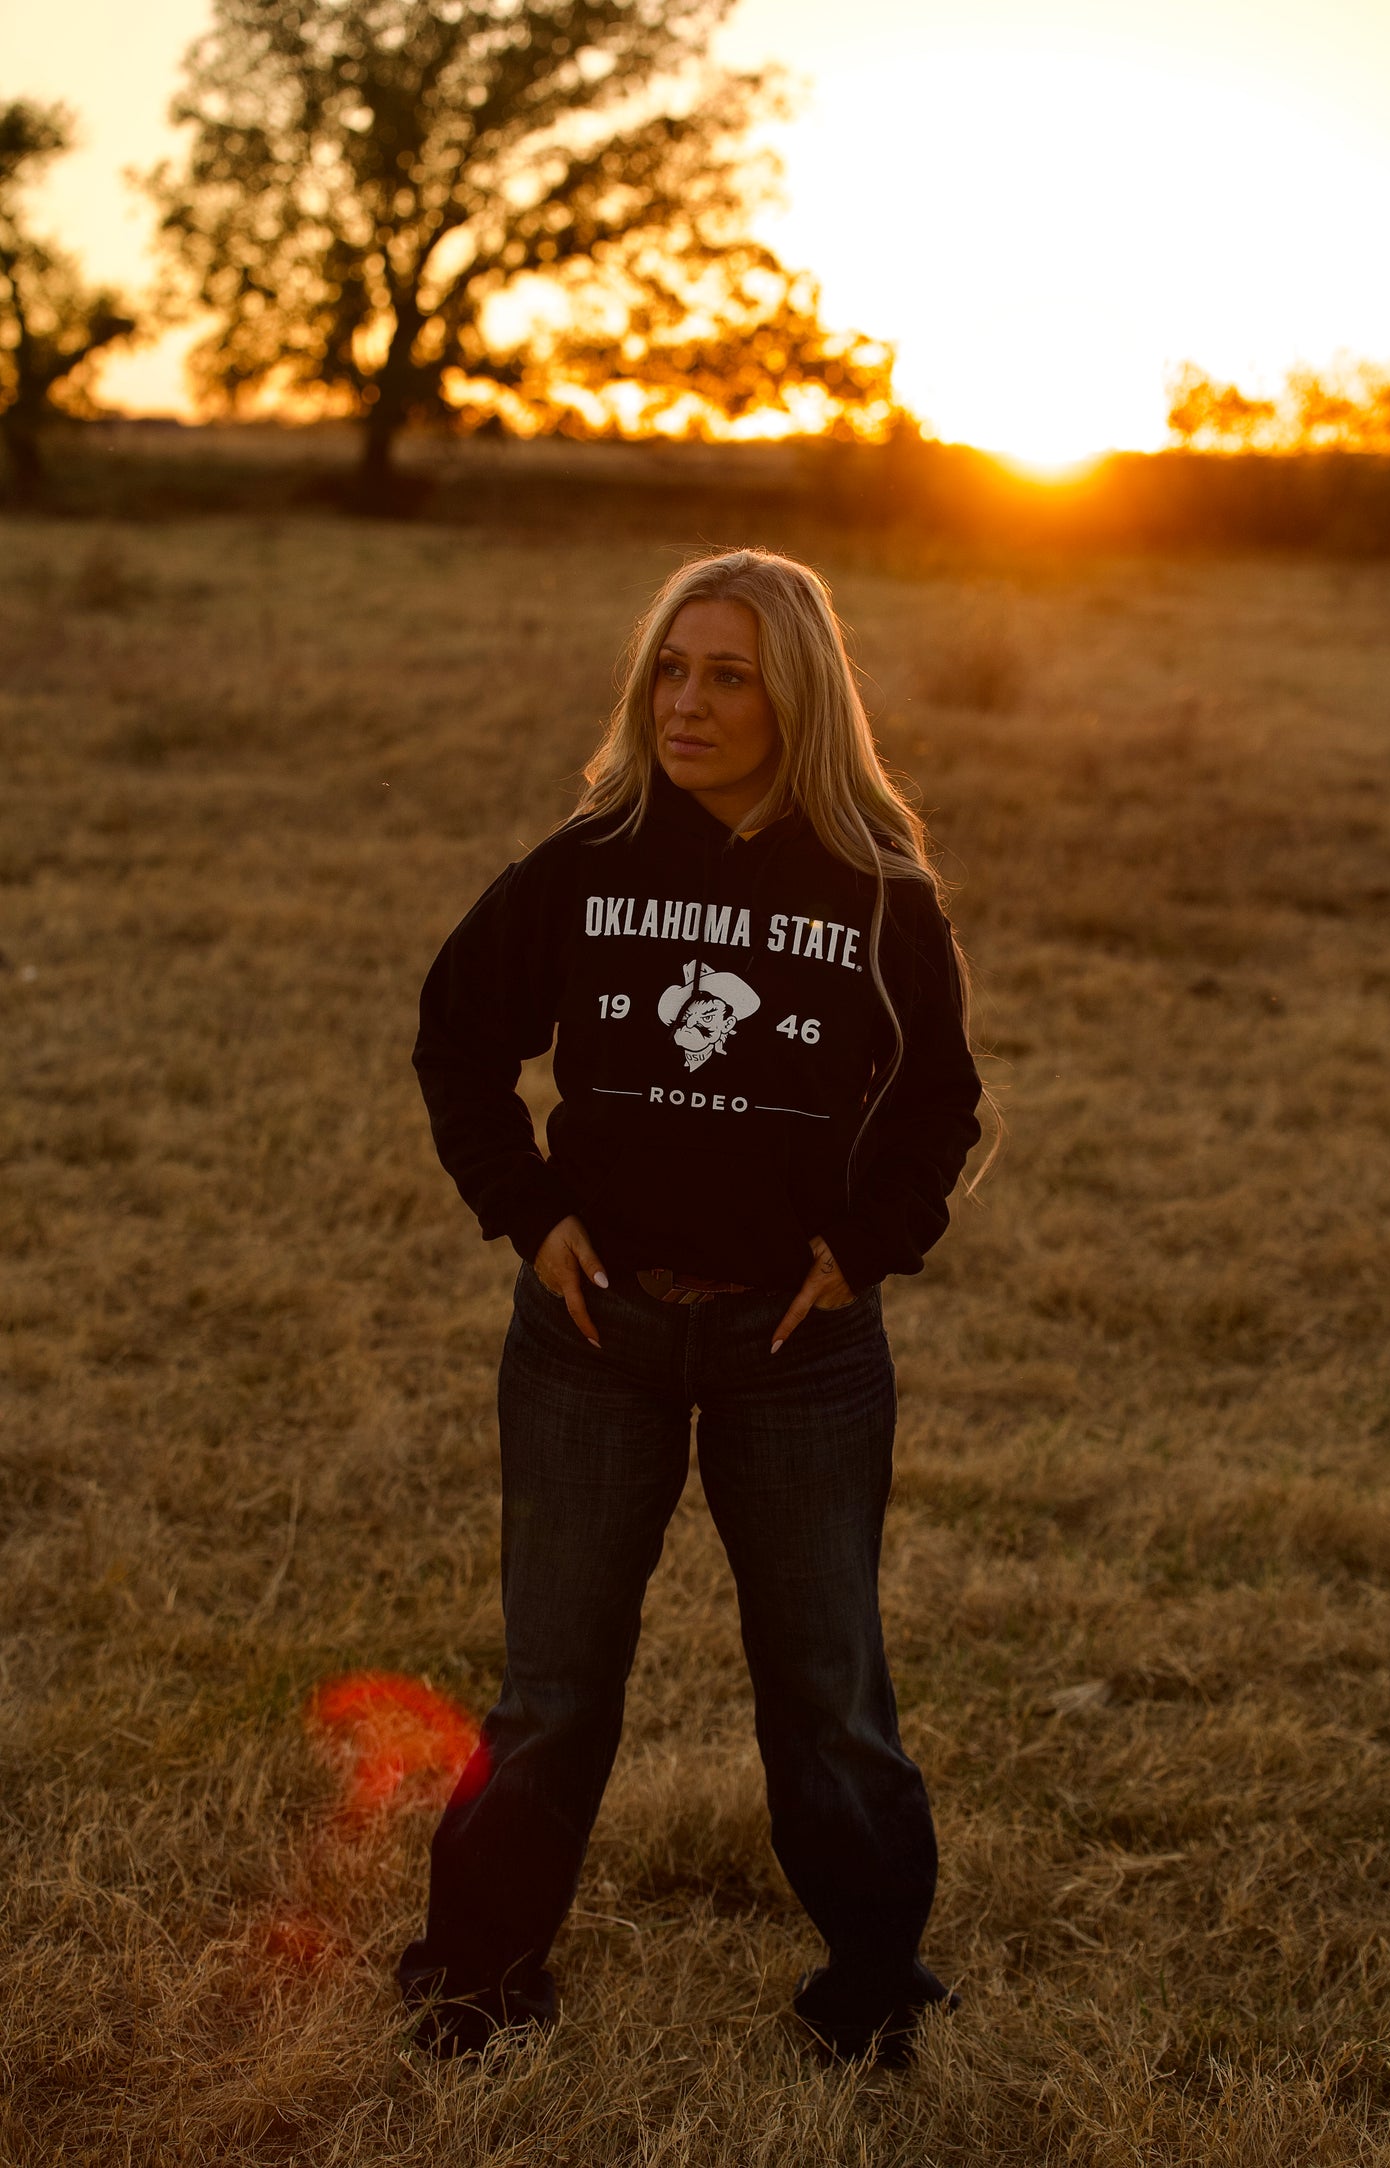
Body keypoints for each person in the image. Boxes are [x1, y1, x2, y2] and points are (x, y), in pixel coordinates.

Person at [398, 547, 989, 2066]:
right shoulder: (585, 864)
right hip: (595, 1340)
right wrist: (528, 1216)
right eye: (671, 667)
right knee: (552, 1688)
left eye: (728, 674)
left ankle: (870, 1998)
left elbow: (938, 1107)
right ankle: (473, 1980)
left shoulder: (874, 897)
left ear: (794, 693)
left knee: (827, 1694)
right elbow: (458, 1039)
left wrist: (862, 1248)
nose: (689, 701)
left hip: (797, 1356)